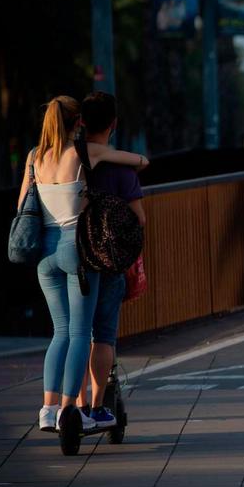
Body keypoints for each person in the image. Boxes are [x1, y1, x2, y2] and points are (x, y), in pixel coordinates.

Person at [18, 96, 148, 435]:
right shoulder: (82, 154)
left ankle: (47, 409)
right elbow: (139, 160)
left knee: (58, 333)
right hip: (75, 250)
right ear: (78, 124)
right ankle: (69, 411)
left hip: (44, 253)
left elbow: (22, 205)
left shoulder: (34, 157)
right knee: (79, 333)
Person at [73, 92, 147, 425]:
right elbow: (139, 218)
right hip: (108, 260)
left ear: (82, 122)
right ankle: (99, 405)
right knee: (103, 334)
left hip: (73, 259)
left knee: (75, 333)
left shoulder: (67, 160)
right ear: (114, 124)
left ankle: (75, 402)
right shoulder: (120, 166)